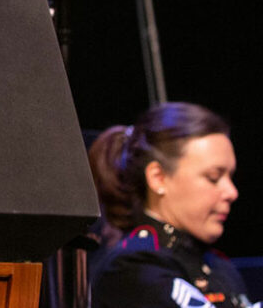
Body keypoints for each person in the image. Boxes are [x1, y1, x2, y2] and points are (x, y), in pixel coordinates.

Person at [88, 102, 258, 308]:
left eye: (230, 177)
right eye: (213, 177)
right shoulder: (132, 270)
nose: (232, 192)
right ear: (158, 178)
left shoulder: (218, 265)